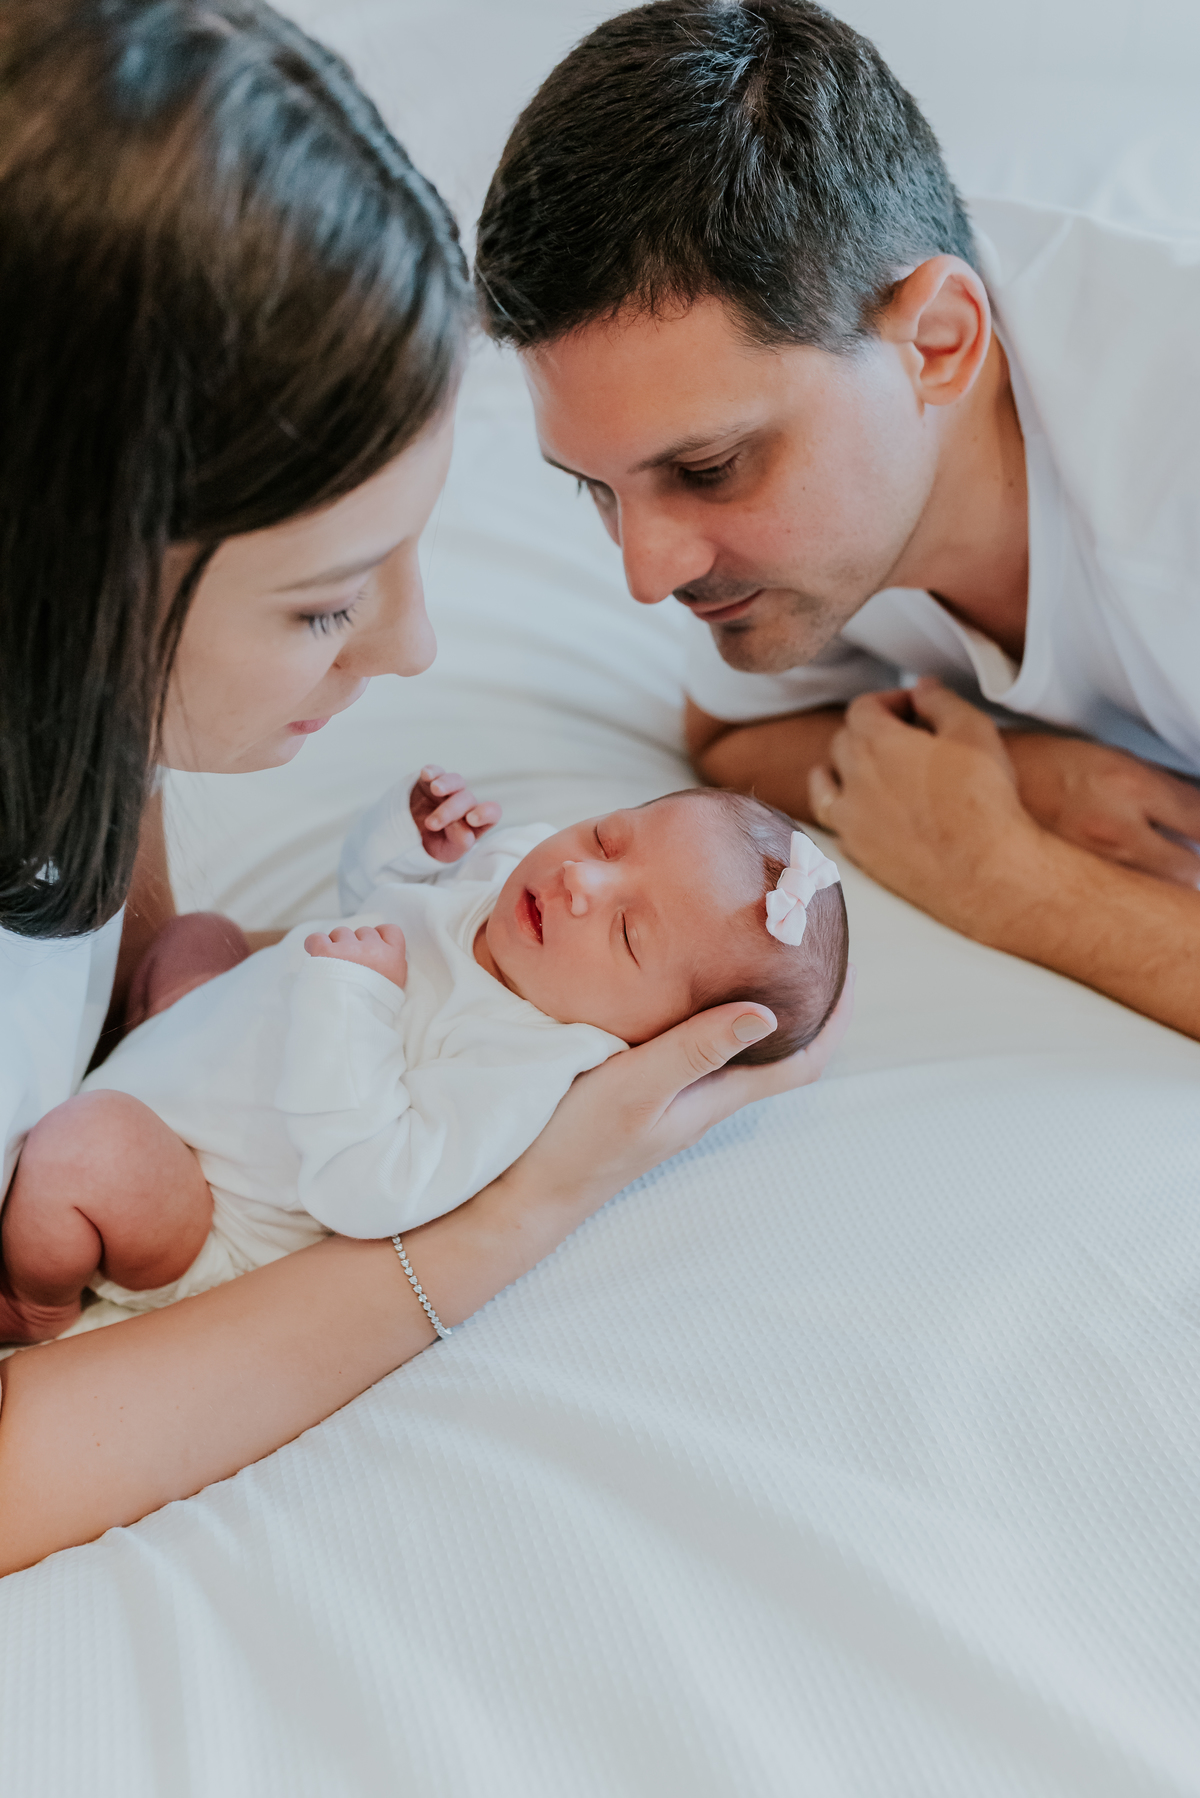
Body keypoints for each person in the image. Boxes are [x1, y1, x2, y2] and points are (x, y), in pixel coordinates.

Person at [0, 0, 852, 1578]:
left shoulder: (80, 704)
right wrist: (507, 1219)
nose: (413, 648)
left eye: (414, 548)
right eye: (328, 601)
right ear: (54, 561)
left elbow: (132, 959)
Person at [473, 0, 1200, 1038]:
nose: (647, 571)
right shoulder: (839, 489)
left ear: (939, 343)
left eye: (709, 467)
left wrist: (1010, 878)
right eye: (596, 487)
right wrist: (1033, 774)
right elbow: (727, 730)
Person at [2, 772, 846, 1338]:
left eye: (628, 931)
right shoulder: (528, 896)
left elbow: (371, 1187)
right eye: (608, 840)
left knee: (89, 1150)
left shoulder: (530, 1061)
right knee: (199, 936)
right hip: (196, 1053)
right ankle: (140, 1039)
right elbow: (382, 906)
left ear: (649, 1037)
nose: (583, 883)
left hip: (209, 1195)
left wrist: (353, 997)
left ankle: (33, 1303)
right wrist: (412, 846)